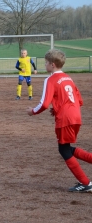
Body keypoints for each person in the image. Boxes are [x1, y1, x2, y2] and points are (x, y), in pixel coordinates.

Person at [27, 49, 92, 193]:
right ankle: (85, 181)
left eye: (46, 63)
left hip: (65, 119)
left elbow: (44, 104)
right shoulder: (68, 78)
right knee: (67, 148)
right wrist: (58, 109)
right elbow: (79, 100)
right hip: (76, 116)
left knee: (63, 150)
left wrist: (32, 111)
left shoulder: (50, 80)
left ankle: (86, 183)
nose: (45, 65)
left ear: (52, 64)